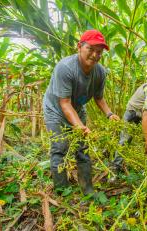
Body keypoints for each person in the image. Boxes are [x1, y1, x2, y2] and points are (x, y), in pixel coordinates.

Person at [43, 29, 119, 195]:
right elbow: (64, 103)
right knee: (60, 148)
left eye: (98, 52)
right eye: (90, 49)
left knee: (82, 148)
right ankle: (62, 191)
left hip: (77, 108)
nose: (94, 55)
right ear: (79, 47)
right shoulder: (65, 68)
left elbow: (99, 98)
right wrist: (79, 126)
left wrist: (110, 114)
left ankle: (87, 189)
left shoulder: (100, 72)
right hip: (55, 109)